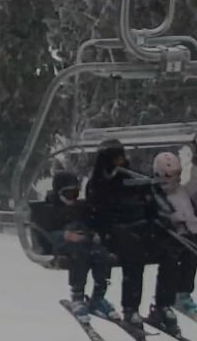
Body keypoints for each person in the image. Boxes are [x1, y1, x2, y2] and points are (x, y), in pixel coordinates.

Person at [86, 139, 174, 332]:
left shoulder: (131, 179)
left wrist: (155, 215)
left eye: (121, 156)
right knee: (135, 254)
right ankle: (130, 308)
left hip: (139, 228)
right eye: (115, 157)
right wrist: (105, 232)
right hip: (115, 233)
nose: (120, 161)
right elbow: (97, 214)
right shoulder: (98, 184)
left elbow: (150, 204)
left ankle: (163, 304)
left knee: (170, 250)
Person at [45, 170, 118, 322]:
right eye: (68, 194)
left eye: (75, 194)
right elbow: (46, 233)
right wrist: (65, 236)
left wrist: (93, 235)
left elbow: (87, 224)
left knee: (101, 254)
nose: (73, 198)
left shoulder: (79, 208)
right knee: (80, 254)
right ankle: (77, 296)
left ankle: (98, 296)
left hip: (83, 241)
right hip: (65, 245)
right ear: (58, 193)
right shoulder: (51, 209)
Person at [153, 152, 197, 318]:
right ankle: (169, 299)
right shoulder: (154, 192)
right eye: (171, 175)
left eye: (178, 174)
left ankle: (183, 292)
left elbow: (190, 215)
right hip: (163, 236)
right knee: (173, 256)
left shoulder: (181, 192)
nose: (176, 179)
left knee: (191, 253)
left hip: (185, 233)